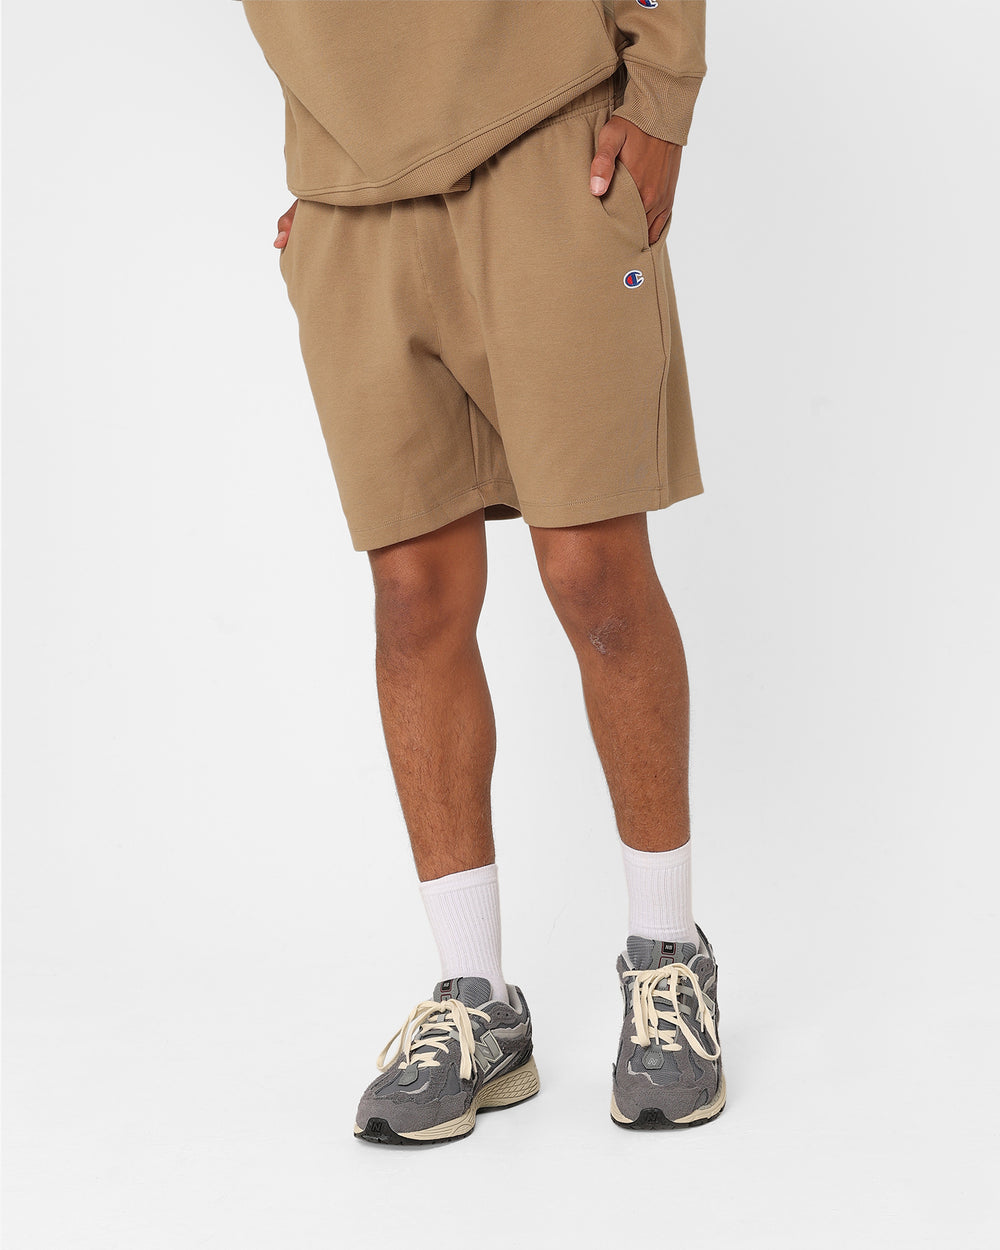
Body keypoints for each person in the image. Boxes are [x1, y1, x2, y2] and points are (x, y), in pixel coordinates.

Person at [241, 0, 723, 1144]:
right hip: (350, 199)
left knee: (591, 570)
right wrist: (331, 163)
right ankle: (477, 1000)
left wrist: (660, 99)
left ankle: (668, 954)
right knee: (412, 595)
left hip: (550, 145)